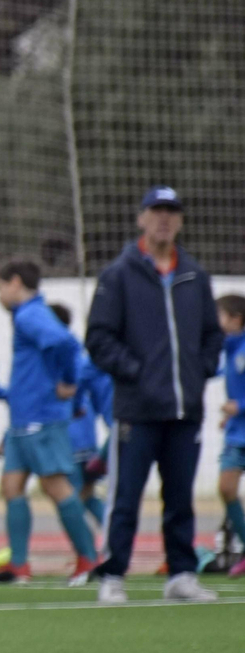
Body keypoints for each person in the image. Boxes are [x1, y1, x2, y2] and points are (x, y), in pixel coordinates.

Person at [85, 185, 224, 604]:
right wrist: (138, 373)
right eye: (157, 210)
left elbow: (211, 335)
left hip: (186, 410)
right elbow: (99, 338)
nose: (164, 218)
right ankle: (113, 575)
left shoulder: (195, 276)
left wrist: (201, 373)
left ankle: (181, 574)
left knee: (180, 497)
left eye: (172, 211)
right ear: (141, 217)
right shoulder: (118, 275)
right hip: (137, 410)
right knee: (125, 496)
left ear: (180, 220)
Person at [0, 260, 100, 584]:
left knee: (56, 487)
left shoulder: (29, 313)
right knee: (11, 487)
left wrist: (68, 382)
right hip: (22, 420)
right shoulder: (26, 315)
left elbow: (66, 343)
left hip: (41, 419)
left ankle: (88, 560)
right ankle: (19, 566)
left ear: (13, 283)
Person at [56, 304, 113, 535]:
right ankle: (112, 539)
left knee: (72, 494)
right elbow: (98, 398)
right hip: (88, 438)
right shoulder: (82, 355)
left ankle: (86, 551)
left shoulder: (55, 357)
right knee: (87, 494)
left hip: (67, 437)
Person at [217, 295, 245, 579]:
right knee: (226, 489)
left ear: (236, 318)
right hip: (237, 433)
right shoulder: (230, 348)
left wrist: (240, 405)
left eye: (220, 315)